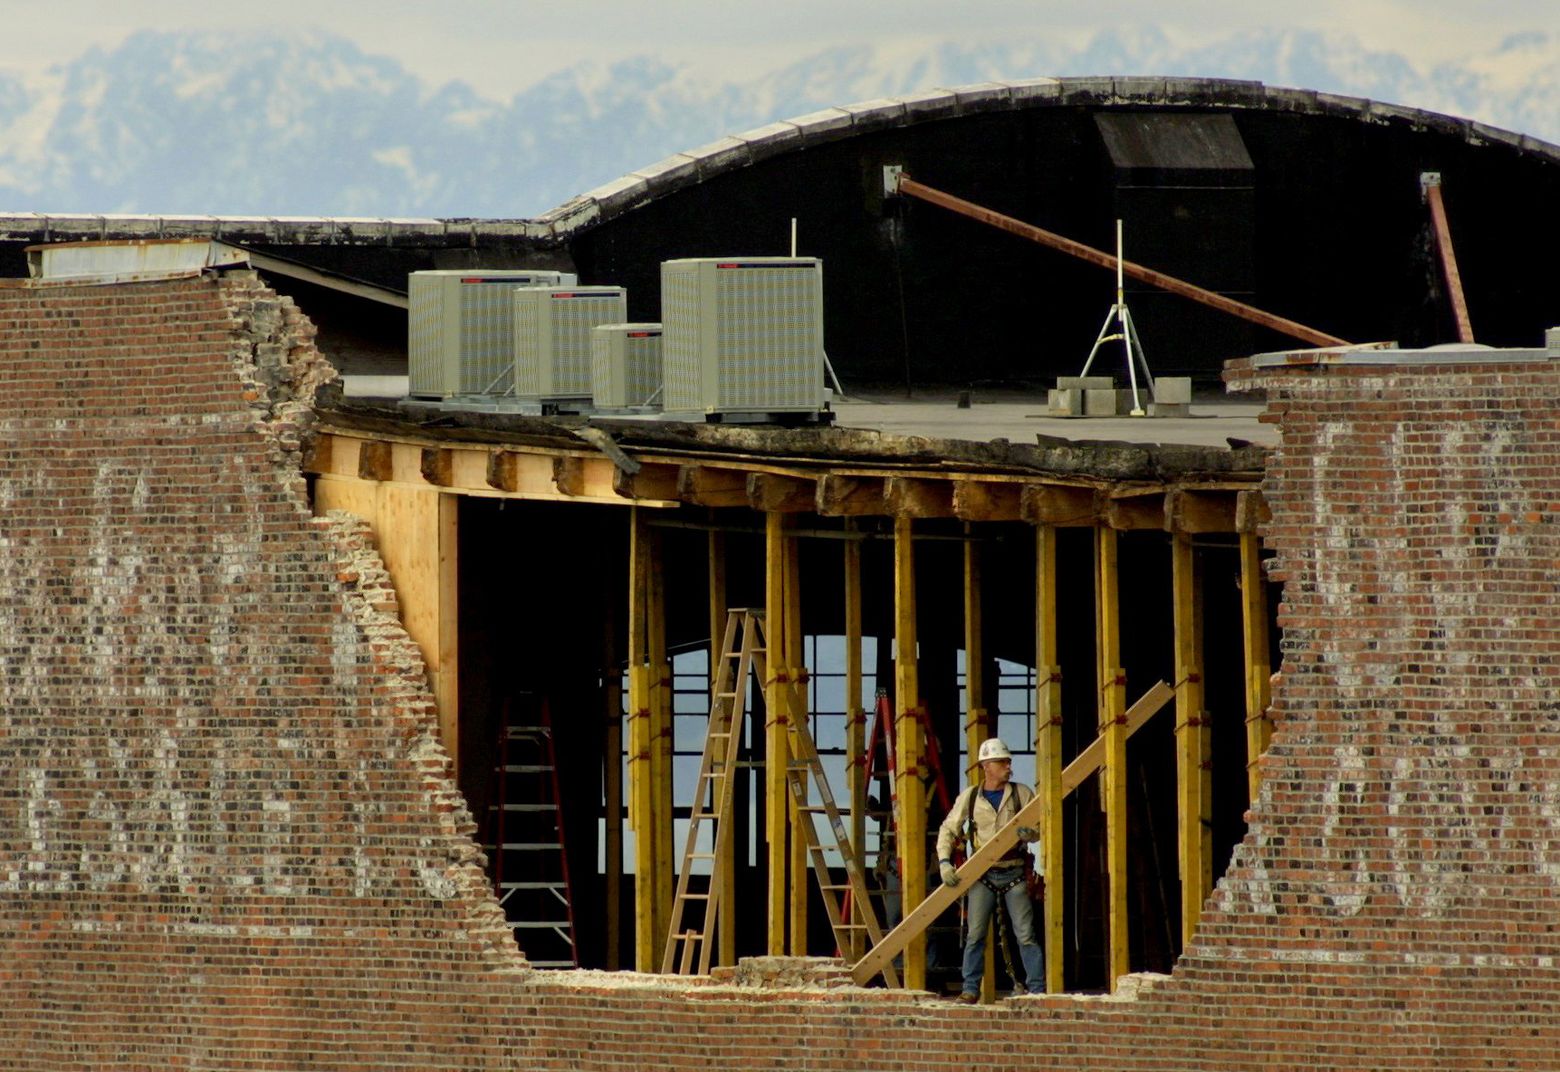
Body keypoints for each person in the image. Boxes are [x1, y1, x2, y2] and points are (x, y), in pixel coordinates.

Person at [935, 737, 1044, 1002]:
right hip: (982, 874)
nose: (1008, 766)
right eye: (1002, 762)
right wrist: (944, 862)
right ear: (987, 767)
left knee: (1025, 935)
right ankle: (971, 989)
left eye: (1008, 761)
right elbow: (948, 829)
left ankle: (1038, 989)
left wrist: (1032, 835)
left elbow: (1043, 828)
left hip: (1014, 871)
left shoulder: (1022, 794)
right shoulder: (971, 797)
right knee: (975, 936)